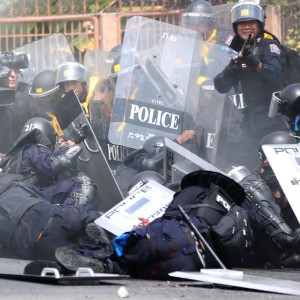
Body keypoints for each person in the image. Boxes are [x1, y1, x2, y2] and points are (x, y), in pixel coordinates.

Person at [213, 1, 287, 171]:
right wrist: (232, 68)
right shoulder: (234, 50)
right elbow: (220, 86)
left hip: (271, 117)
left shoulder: (270, 46)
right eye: (242, 23)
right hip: (248, 119)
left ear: (259, 25)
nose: (246, 27)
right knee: (240, 167)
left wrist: (256, 63)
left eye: (251, 23)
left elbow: (275, 77)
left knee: (275, 168)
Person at [0, 171, 111, 263]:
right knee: (88, 213)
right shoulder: (11, 181)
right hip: (57, 218)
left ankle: (96, 260)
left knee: (79, 255)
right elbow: (44, 196)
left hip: (35, 249)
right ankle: (103, 243)